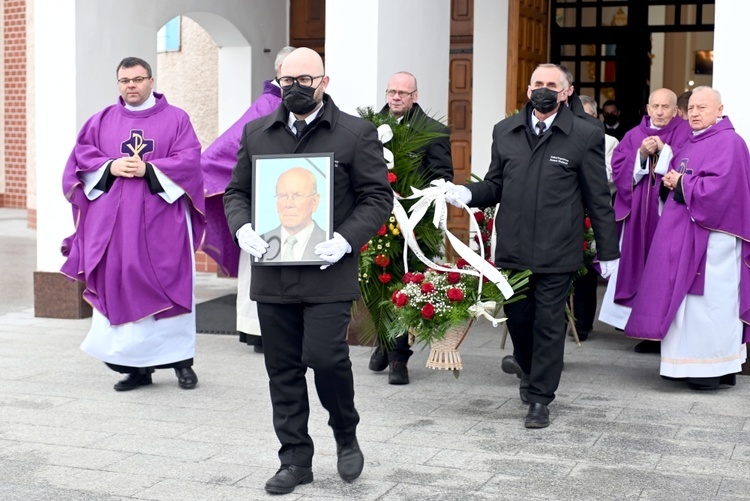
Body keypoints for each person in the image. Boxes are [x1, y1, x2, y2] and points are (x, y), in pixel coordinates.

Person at [223, 48, 392, 494]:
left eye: (306, 79)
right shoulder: (258, 133)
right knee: (282, 368)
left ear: (325, 81)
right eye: (288, 79)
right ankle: (295, 459)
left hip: (328, 270)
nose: (296, 87)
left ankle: (345, 431)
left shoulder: (356, 133)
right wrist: (241, 227)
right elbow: (236, 191)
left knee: (325, 356)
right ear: (277, 80)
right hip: (274, 273)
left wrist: (346, 237)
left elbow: (377, 197)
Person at [445, 64, 619, 429]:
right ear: (528, 90)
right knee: (520, 320)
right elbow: (495, 184)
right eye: (538, 84)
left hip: (559, 251)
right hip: (515, 248)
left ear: (566, 92)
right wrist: (467, 193)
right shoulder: (505, 131)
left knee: (549, 324)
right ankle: (527, 366)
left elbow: (597, 198)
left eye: (551, 85)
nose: (544, 90)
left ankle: (540, 398)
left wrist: (610, 251)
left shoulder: (586, 134)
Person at [60, 57, 204, 392]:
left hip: (163, 224)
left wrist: (149, 170)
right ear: (118, 84)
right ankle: (135, 369)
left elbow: (190, 161)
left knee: (170, 285)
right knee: (122, 285)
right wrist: (109, 167)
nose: (131, 86)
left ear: (151, 81)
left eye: (138, 79)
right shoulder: (101, 121)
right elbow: (80, 161)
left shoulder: (176, 119)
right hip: (117, 228)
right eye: (125, 80)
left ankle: (182, 364)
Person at [625, 86, 750, 391]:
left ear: (719, 110)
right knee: (687, 305)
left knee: (709, 306)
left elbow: (723, 192)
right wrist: (672, 182)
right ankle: (692, 366)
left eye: (702, 108)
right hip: (685, 235)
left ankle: (710, 369)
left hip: (714, 244)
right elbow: (678, 179)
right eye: (691, 108)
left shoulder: (730, 142)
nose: (694, 113)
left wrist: (682, 182)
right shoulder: (693, 142)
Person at [201, 46, 295, 354]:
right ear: (279, 73)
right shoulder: (267, 104)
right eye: (288, 75)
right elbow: (225, 149)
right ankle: (257, 330)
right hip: (265, 202)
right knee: (261, 266)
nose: (294, 81)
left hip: (297, 200)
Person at [368, 71, 454, 385]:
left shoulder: (433, 131)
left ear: (414, 96)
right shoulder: (369, 127)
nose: (396, 97)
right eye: (392, 91)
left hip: (415, 223)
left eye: (403, 93)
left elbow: (443, 176)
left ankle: (398, 359)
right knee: (377, 283)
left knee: (405, 286)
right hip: (376, 219)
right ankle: (382, 340)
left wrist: (417, 196)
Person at [598, 89, 691, 353]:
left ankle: (666, 332)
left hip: (669, 216)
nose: (660, 112)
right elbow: (618, 171)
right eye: (656, 106)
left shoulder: (685, 134)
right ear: (647, 108)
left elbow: (689, 164)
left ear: (676, 111)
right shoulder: (633, 136)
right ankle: (644, 331)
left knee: (667, 270)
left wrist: (666, 151)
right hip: (638, 216)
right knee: (639, 265)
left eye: (666, 107)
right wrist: (639, 154)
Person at [260, 166, 327, 263]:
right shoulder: (261, 241)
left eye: (298, 196)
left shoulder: (329, 242)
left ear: (315, 201)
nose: (289, 204)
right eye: (283, 196)